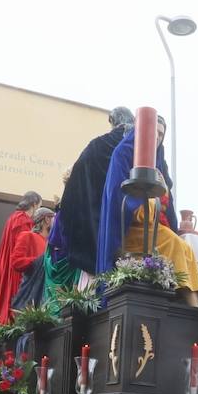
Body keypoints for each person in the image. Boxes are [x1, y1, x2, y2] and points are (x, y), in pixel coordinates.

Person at [97, 115, 198, 306]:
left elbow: (166, 203)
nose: (157, 138)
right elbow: (118, 198)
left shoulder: (158, 161)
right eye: (153, 132)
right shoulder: (123, 154)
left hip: (153, 228)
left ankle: (190, 303)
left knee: (187, 248)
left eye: (161, 134)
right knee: (176, 245)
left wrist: (161, 197)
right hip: (130, 229)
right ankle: (191, 305)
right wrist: (151, 202)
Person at [55, 106, 133, 281]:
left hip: (98, 227)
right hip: (132, 222)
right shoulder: (140, 145)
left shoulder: (96, 145)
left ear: (113, 122)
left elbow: (74, 186)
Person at [0, 191, 41, 323]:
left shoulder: (12, 218)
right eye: (39, 206)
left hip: (9, 265)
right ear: (34, 204)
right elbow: (23, 248)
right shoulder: (23, 220)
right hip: (17, 270)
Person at [8, 206, 55, 310]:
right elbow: (16, 262)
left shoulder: (51, 244)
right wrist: (40, 260)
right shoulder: (27, 236)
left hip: (47, 292)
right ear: (47, 219)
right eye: (54, 219)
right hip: (32, 291)